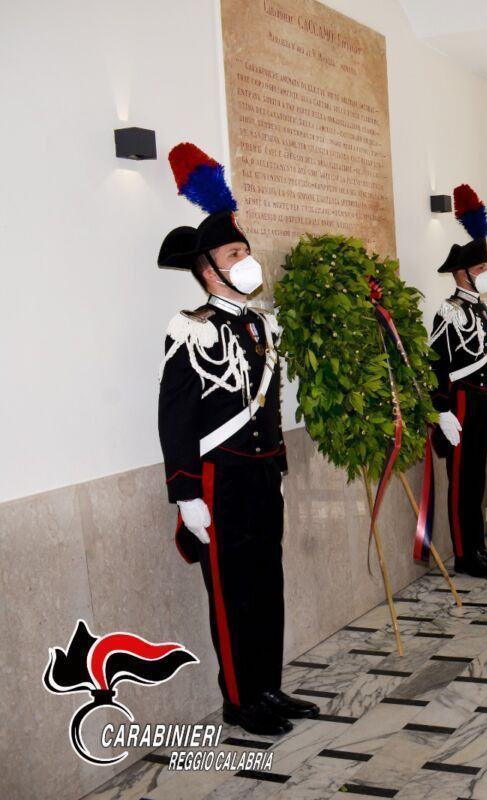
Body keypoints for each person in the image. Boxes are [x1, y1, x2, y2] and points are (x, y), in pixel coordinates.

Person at [157, 142, 318, 736]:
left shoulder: (260, 324)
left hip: (258, 474)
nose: (247, 260)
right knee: (230, 593)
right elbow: (175, 416)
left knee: (266, 581)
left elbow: (267, 405)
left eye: (246, 250)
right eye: (235, 253)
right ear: (208, 269)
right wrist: (186, 493)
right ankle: (238, 700)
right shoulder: (190, 329)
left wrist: (275, 466)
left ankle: (268, 687)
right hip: (218, 479)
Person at [428, 184, 487, 580]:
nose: (486, 275)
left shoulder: (480, 311)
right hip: (460, 404)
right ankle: (464, 555)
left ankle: (478, 547)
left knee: (476, 477)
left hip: (482, 402)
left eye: (485, 268)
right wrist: (441, 410)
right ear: (461, 273)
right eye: (480, 270)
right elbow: (437, 364)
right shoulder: (449, 311)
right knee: (461, 483)